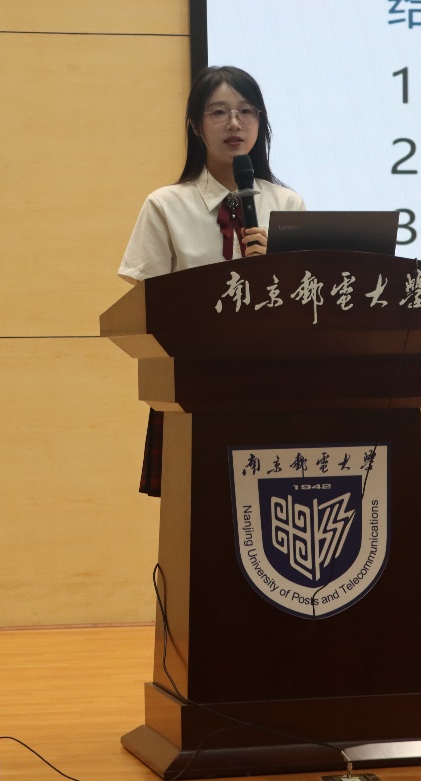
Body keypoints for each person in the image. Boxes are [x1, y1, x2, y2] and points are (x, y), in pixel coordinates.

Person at [119, 66, 305, 496]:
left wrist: (274, 269)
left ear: (260, 122)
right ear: (195, 126)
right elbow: (147, 300)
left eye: (246, 111)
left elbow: (304, 304)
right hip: (194, 381)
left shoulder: (287, 203)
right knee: (200, 511)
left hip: (273, 379)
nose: (234, 123)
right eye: (219, 112)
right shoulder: (166, 205)